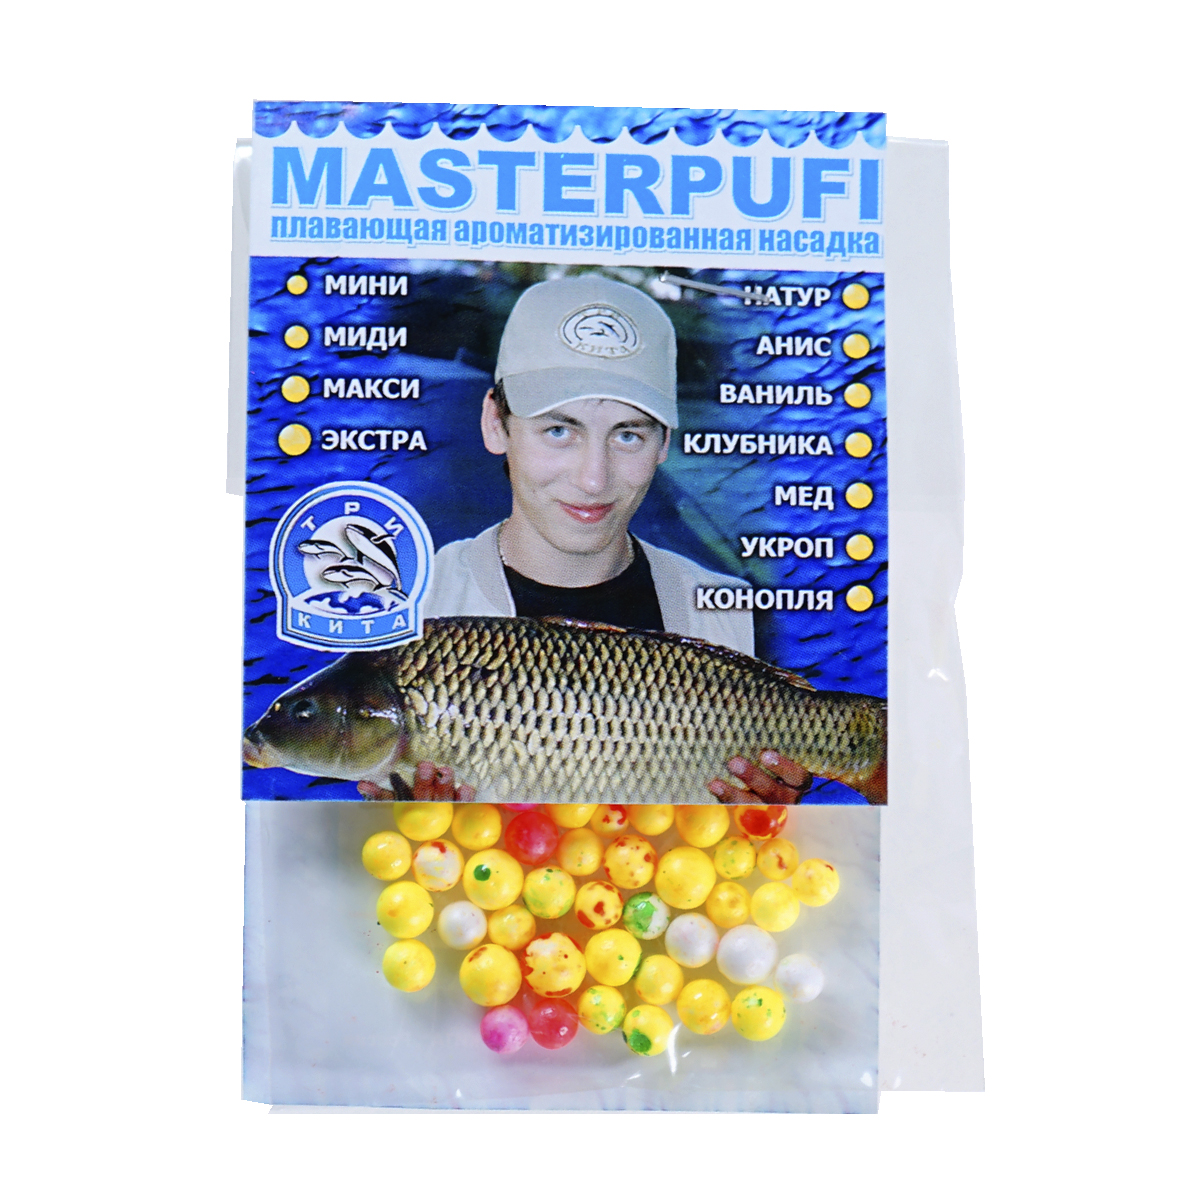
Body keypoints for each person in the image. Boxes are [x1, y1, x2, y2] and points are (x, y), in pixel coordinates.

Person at [360, 275, 812, 806]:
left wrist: (766, 825)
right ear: (495, 424)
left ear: (664, 444)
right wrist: (400, 835)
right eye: (559, 430)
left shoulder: (735, 615)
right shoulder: (404, 611)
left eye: (628, 435)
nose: (594, 479)